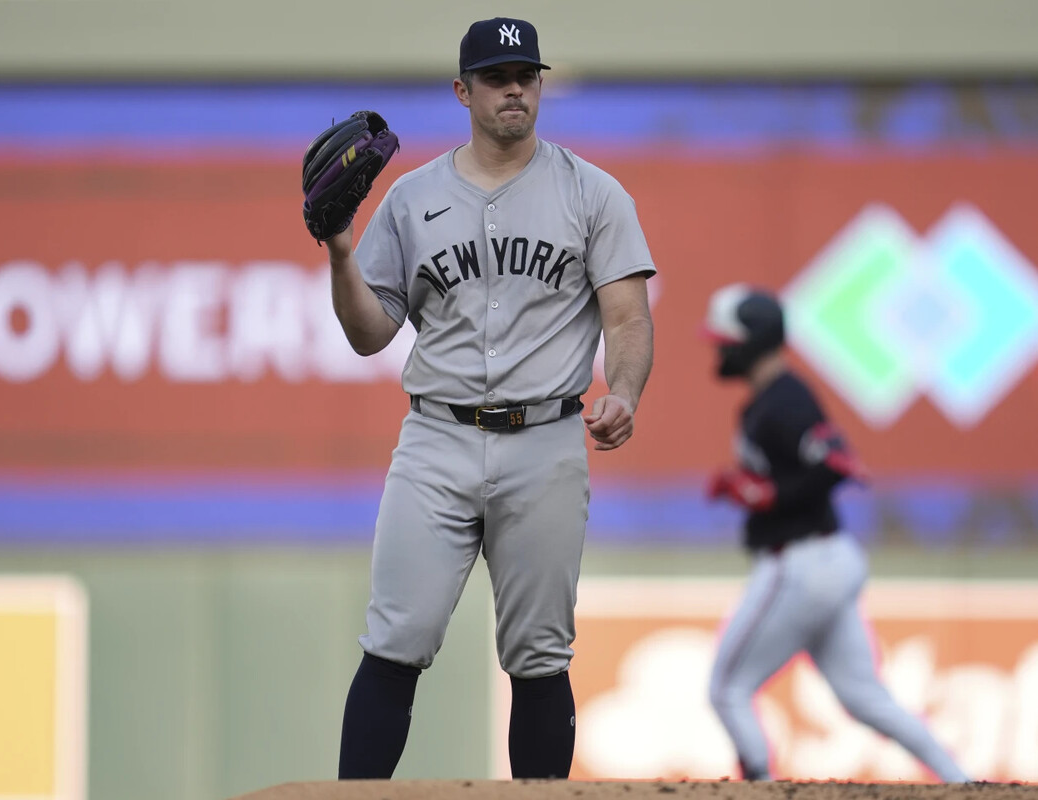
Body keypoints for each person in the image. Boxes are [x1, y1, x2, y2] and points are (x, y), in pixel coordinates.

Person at [324, 17, 656, 780]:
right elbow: (370, 333)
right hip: (436, 441)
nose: (515, 88)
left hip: (545, 439)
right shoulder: (411, 200)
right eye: (498, 77)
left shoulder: (592, 192)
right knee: (395, 639)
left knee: (540, 651)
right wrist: (342, 256)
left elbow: (629, 316)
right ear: (462, 90)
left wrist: (626, 390)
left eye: (527, 75)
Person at [701, 283, 968, 783]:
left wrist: (768, 493)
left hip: (800, 563)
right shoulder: (767, 401)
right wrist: (756, 487)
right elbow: (810, 468)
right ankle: (962, 781)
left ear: (751, 340)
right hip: (827, 560)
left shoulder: (785, 397)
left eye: (725, 339)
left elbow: (835, 463)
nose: (718, 349)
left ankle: (759, 786)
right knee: (865, 698)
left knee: (727, 689)